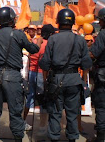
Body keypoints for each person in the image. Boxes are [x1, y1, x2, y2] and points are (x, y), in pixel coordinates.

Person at [0, 7, 42, 142]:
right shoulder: (18, 34)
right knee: (15, 111)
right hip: (12, 75)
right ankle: (17, 137)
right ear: (10, 19)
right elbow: (33, 50)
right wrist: (38, 42)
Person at [39, 9, 92, 142]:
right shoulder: (80, 40)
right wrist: (84, 82)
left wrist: (46, 80)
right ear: (73, 22)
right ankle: (72, 138)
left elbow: (45, 63)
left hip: (56, 81)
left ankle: (54, 138)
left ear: (58, 22)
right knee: (72, 114)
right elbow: (86, 64)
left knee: (55, 114)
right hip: (74, 80)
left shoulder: (52, 39)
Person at [23, 24, 55, 132]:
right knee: (43, 100)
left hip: (32, 73)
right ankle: (42, 126)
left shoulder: (35, 42)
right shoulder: (49, 44)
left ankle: (23, 121)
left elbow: (31, 55)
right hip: (42, 74)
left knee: (30, 97)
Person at [90, 8, 105, 141]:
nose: (99, 23)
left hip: (103, 75)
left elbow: (93, 53)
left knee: (101, 106)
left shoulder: (103, 34)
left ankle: (100, 137)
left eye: (100, 20)